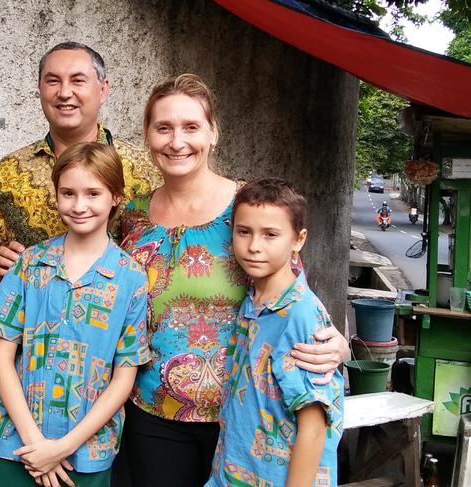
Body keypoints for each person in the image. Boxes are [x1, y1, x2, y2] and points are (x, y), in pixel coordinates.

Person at [117, 74, 348, 487]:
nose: (177, 141)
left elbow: (293, 295)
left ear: (213, 132)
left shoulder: (249, 209)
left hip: (244, 421)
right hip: (154, 415)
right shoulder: (131, 219)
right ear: (147, 135)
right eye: (163, 128)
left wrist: (336, 344)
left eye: (191, 127)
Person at [0, 143, 151, 487]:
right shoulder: (30, 265)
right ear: (56, 195)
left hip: (84, 454)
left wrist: (63, 448)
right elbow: (2, 358)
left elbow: (123, 378)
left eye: (93, 193)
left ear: (115, 196)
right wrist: (35, 443)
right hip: (16, 444)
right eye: (68, 193)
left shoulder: (130, 279)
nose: (79, 205)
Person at [0, 42, 160, 287]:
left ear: (103, 89)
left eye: (78, 81)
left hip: (120, 316)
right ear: (40, 89)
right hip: (37, 318)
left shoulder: (143, 166)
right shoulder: (11, 171)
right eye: (53, 81)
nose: (64, 92)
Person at [205, 177, 344, 487]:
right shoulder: (254, 299)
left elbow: (313, 425)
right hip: (234, 471)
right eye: (244, 232)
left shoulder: (299, 315)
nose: (254, 246)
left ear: (298, 239)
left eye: (270, 235)